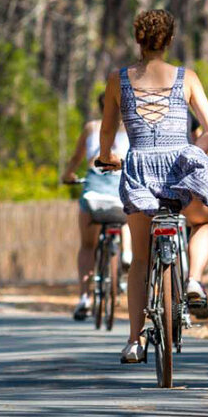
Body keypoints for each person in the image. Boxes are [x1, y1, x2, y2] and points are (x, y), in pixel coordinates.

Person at [96, 9, 208, 364]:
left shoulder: (117, 79)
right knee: (203, 221)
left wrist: (107, 156)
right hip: (180, 166)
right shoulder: (188, 77)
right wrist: (191, 156)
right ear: (169, 40)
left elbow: (107, 131)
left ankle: (135, 341)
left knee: (140, 259)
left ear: (138, 39)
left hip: (138, 168)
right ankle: (195, 280)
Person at [61, 95, 129, 320]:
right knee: (128, 217)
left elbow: (75, 158)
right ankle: (126, 254)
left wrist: (68, 175)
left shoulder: (91, 128)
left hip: (94, 193)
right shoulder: (132, 128)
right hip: (121, 193)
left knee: (87, 246)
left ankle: (85, 298)